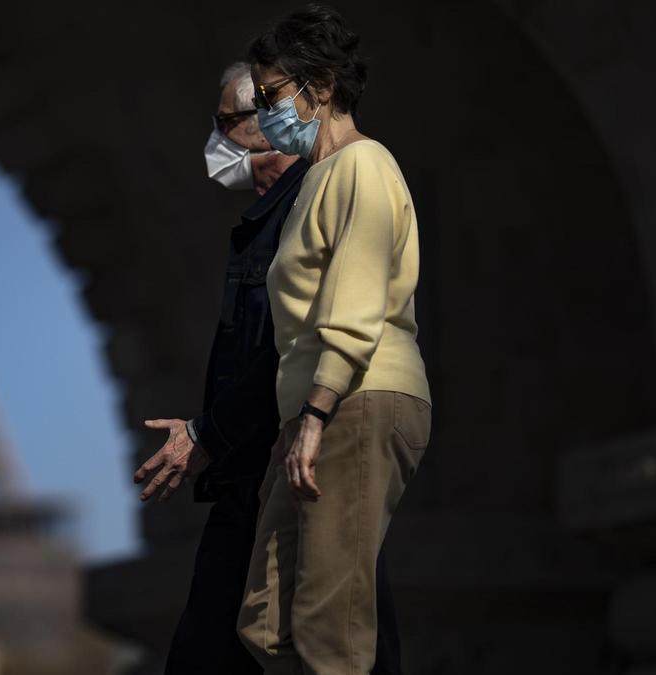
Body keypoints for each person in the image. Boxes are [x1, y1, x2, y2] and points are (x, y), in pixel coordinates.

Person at [133, 62, 403, 675]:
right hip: (261, 465)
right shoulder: (275, 215)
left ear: (272, 123)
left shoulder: (311, 204)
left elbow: (296, 345)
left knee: (326, 643)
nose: (217, 142)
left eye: (227, 122)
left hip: (288, 461)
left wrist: (208, 432)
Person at [233, 5, 433, 674]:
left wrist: (315, 415)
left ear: (318, 88)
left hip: (353, 398)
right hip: (318, 407)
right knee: (265, 618)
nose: (262, 112)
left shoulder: (363, 165)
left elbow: (352, 302)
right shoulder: (316, 177)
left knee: (330, 628)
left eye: (270, 94)